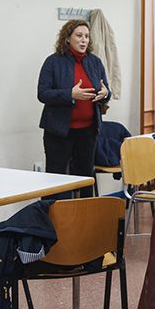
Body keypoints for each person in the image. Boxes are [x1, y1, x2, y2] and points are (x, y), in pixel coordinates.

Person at [37, 19, 110, 198]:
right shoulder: (53, 62)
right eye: (79, 35)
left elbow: (105, 89)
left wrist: (105, 94)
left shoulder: (95, 62)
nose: (84, 40)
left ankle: (85, 221)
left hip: (88, 131)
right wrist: (70, 94)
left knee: (85, 176)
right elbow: (43, 93)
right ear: (67, 38)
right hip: (59, 132)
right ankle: (53, 219)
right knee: (56, 179)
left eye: (86, 36)